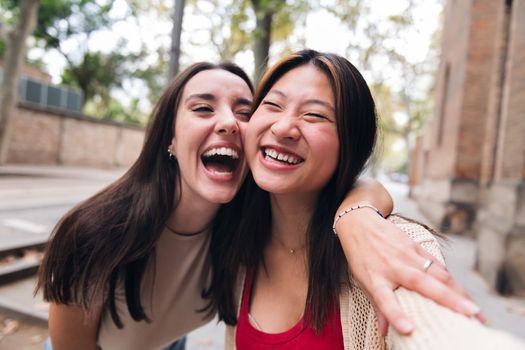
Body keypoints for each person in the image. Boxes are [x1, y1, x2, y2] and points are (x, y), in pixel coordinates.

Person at [38, 60, 480, 350]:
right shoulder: (97, 235)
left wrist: (357, 214)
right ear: (169, 138)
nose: (229, 122)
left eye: (244, 110)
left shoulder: (241, 218)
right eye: (202, 108)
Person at [210, 49, 525, 349]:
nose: (284, 127)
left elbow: (436, 331)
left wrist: (357, 213)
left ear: (350, 145)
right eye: (273, 106)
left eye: (315, 115)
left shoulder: (389, 243)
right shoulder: (232, 232)